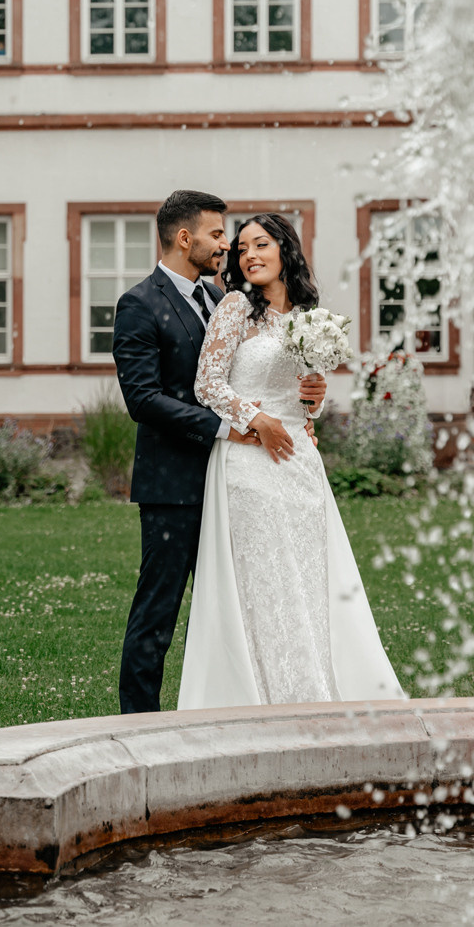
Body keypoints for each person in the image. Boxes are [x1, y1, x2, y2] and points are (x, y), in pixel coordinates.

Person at [178, 213, 404, 709]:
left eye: (261, 244)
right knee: (264, 580)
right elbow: (207, 385)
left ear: (286, 249)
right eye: (242, 249)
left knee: (307, 577)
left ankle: (315, 688)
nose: (250, 255)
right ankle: (263, 694)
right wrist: (258, 421)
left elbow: (306, 401)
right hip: (247, 462)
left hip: (300, 462)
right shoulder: (236, 307)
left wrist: (315, 396)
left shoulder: (307, 315)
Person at [112, 191, 325, 714]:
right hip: (176, 485)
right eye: (216, 234)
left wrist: (306, 400)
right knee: (158, 610)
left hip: (237, 483)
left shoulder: (225, 299)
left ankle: (237, 703)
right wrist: (228, 430)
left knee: (238, 605)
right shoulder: (140, 304)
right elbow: (143, 399)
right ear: (184, 238)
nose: (226, 245)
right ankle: (140, 726)